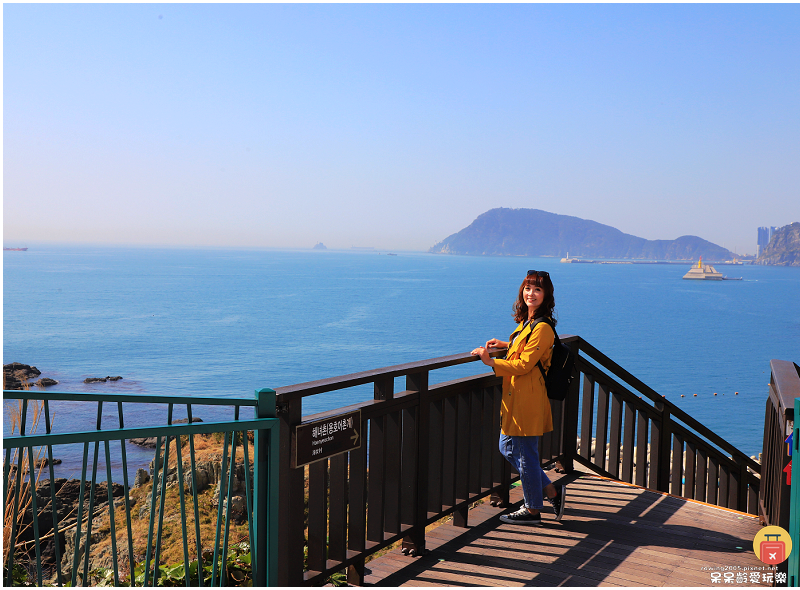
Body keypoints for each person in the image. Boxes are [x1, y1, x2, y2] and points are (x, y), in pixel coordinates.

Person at [471, 269, 566, 525]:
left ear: (546, 295)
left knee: (525, 456)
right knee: (507, 447)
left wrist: (491, 361)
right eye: (527, 288)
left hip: (528, 398)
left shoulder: (543, 326)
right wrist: (505, 345)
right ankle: (549, 490)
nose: (531, 293)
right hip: (516, 397)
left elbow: (525, 365)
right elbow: (523, 349)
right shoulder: (528, 322)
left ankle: (533, 509)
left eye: (537, 289)